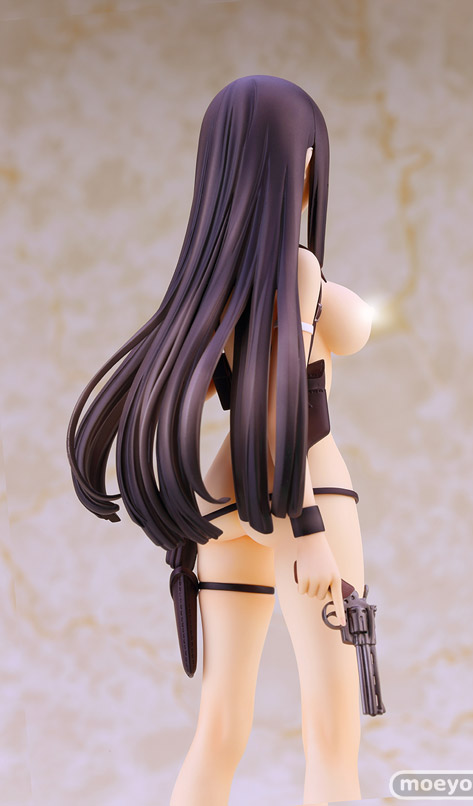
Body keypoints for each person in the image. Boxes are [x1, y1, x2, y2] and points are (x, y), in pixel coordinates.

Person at [66, 75, 373, 806]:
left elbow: (200, 385)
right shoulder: (296, 270)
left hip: (224, 506)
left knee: (220, 728)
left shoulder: (212, 285)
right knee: (332, 737)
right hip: (301, 494)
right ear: (301, 165)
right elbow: (281, 400)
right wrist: (305, 527)